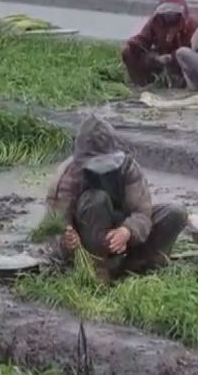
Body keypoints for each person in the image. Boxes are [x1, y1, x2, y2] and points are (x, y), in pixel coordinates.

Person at [44, 115, 188, 281]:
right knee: (96, 199)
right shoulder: (69, 175)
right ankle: (98, 271)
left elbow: (142, 212)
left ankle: (143, 265)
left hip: (121, 228)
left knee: (175, 213)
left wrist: (127, 231)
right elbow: (55, 221)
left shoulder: (127, 166)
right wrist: (66, 236)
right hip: (89, 235)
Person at [121, 0, 198, 88]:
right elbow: (143, 40)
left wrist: (172, 57)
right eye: (166, 12)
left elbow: (195, 49)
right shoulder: (156, 21)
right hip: (159, 58)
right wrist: (133, 44)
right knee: (128, 52)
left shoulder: (191, 23)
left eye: (173, 12)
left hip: (180, 62)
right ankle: (142, 83)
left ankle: (182, 84)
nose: (169, 16)